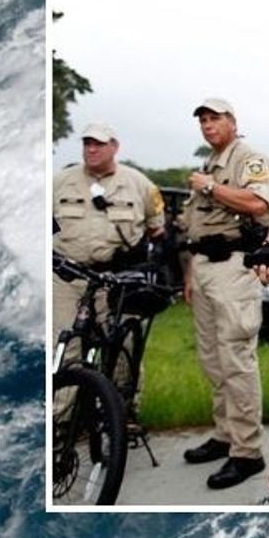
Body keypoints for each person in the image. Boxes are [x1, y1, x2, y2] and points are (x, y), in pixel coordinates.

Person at [177, 99, 269, 490]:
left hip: (234, 267)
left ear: (233, 122)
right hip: (203, 268)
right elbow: (196, 227)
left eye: (214, 117)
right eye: (202, 119)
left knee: (235, 359)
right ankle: (225, 435)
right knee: (213, 359)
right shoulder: (210, 163)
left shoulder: (247, 159)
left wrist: (212, 188)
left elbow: (258, 203)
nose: (206, 124)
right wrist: (189, 272)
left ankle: (248, 452)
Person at [51, 122, 165, 365]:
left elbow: (157, 229)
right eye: (87, 144)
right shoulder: (59, 182)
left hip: (118, 280)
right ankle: (63, 403)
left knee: (123, 350)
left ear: (114, 147)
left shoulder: (140, 185)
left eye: (99, 144)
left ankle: (120, 402)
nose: (91, 149)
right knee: (65, 349)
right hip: (68, 278)